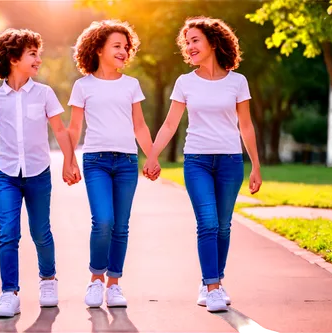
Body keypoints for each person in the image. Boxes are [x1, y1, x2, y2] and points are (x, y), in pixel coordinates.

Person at [144, 16, 262, 312]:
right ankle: (211, 287)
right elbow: (170, 124)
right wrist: (153, 154)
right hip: (196, 160)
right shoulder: (185, 82)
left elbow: (245, 126)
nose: (190, 46)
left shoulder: (238, 81)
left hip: (230, 162)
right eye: (187, 42)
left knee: (223, 226)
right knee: (207, 223)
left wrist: (256, 167)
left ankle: (215, 282)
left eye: (195, 40)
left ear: (212, 42)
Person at [0, 28, 81, 318]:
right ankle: (9, 293)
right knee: (7, 233)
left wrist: (70, 162)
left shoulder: (44, 93)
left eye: (39, 54)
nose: (38, 59)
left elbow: (59, 130)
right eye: (32, 54)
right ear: (12, 58)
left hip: (38, 173)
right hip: (6, 175)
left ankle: (48, 280)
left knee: (40, 231)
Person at [67, 20, 159, 308]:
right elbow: (74, 128)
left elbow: (140, 125)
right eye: (116, 46)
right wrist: (68, 160)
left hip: (127, 161)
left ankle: (114, 284)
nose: (123, 51)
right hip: (95, 160)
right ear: (98, 49)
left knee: (121, 225)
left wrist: (152, 155)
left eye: (125, 46)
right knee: (103, 221)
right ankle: (95, 280)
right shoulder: (83, 86)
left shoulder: (131, 85)